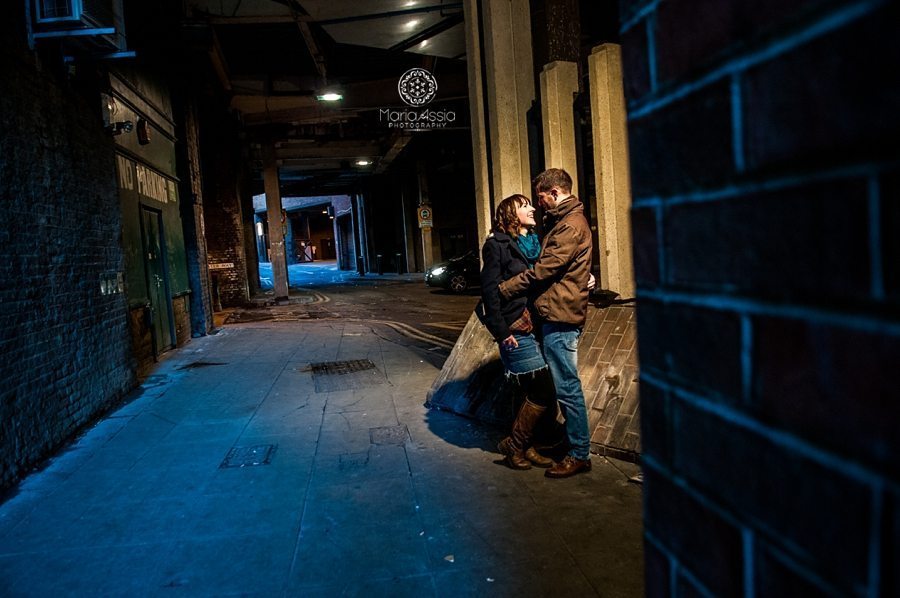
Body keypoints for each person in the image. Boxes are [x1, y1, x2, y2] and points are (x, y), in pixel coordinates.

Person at [500, 168, 593, 478]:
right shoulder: (564, 222)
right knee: (561, 386)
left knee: (567, 388)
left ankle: (579, 453)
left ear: (555, 193)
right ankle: (570, 445)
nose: (538, 205)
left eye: (540, 198)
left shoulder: (568, 226)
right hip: (556, 313)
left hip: (561, 316)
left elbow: (543, 270)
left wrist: (506, 288)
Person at [480, 194, 556, 470]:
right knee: (544, 388)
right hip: (515, 326)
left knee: (531, 392)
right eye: (524, 206)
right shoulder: (496, 245)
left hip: (536, 323)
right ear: (511, 214)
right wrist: (501, 333)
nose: (532, 208)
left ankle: (527, 447)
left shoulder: (536, 242)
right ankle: (514, 445)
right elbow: (489, 291)